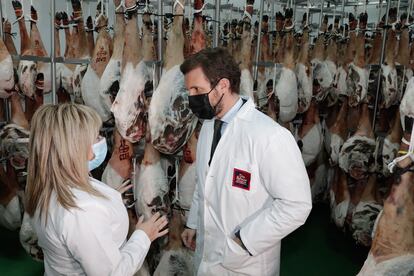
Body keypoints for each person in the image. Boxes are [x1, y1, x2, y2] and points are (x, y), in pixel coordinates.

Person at [180, 47, 312, 275]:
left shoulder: (270, 136)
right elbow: (204, 184)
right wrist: (194, 223)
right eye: (188, 91)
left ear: (223, 85)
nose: (192, 98)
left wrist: (244, 240)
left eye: (197, 89)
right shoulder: (209, 125)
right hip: (208, 255)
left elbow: (297, 205)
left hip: (245, 264)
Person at [25, 103, 168, 276]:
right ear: (75, 148)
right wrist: (143, 236)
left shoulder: (47, 186)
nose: (100, 141)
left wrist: (109, 197)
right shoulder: (83, 211)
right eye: (95, 137)